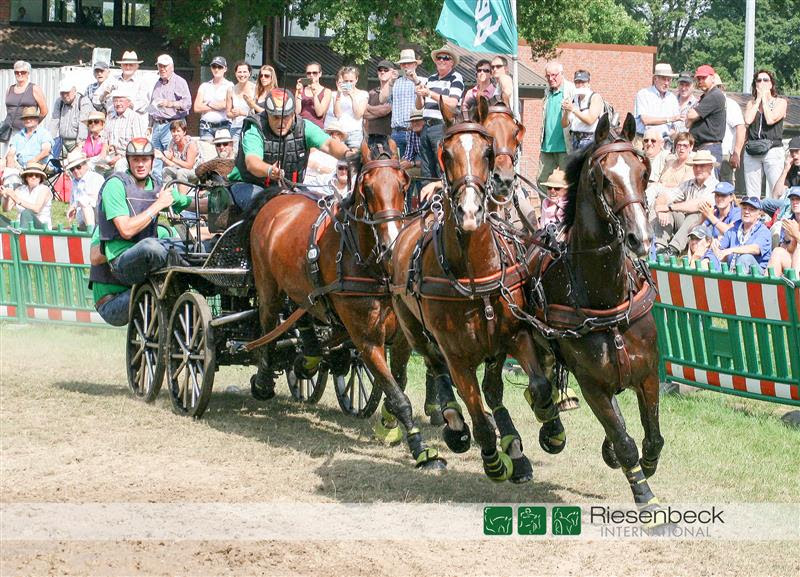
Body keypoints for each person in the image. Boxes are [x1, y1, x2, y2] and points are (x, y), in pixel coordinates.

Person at [227, 89, 350, 210]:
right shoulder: (254, 130)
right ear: (267, 114)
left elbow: (329, 144)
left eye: (286, 116)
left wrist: (349, 154)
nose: (281, 122)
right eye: (275, 117)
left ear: (293, 114)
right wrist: (269, 170)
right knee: (269, 209)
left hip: (290, 187)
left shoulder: (304, 127)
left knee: (320, 207)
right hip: (248, 184)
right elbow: (252, 162)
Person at [95, 138, 193, 286]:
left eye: (145, 159)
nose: (140, 164)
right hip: (121, 259)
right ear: (129, 161)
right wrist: (158, 205)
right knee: (151, 246)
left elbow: (188, 202)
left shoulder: (157, 185)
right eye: (136, 160)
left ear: (152, 161)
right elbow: (126, 230)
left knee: (194, 247)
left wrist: (217, 201)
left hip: (150, 251)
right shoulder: (115, 185)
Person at [654, 149, 719, 256]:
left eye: (702, 166)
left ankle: (673, 249)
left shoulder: (715, 185)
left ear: (710, 167)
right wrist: (661, 209)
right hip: (687, 226)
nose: (698, 169)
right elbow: (665, 195)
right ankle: (659, 247)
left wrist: (668, 207)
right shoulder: (688, 183)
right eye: (695, 166)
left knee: (694, 215)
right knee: (669, 214)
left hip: (706, 227)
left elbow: (698, 205)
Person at [416, 46, 464, 179]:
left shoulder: (456, 78)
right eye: (439, 58)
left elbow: (452, 103)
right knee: (426, 169)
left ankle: (442, 198)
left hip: (442, 127)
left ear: (452, 62)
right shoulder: (430, 79)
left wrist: (430, 93)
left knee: (440, 166)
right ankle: (428, 199)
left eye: (446, 58)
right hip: (426, 126)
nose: (442, 60)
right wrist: (419, 94)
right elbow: (420, 106)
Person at [743, 69, 788, 198]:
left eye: (765, 80)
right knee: (752, 193)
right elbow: (747, 120)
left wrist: (765, 99)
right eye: (759, 80)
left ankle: (774, 217)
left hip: (772, 150)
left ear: (771, 84)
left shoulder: (781, 102)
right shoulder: (751, 103)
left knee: (775, 191)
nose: (762, 83)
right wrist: (758, 101)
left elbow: (770, 119)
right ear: (755, 84)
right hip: (753, 150)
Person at [149, 54, 192, 163]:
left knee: (170, 159)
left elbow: (187, 104)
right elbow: (152, 106)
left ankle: (169, 180)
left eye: (165, 66)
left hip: (172, 125)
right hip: (156, 126)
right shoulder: (157, 83)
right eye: (160, 66)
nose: (162, 69)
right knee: (155, 160)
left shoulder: (180, 82)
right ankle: (156, 180)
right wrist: (149, 126)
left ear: (172, 67)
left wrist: (170, 103)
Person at [538, 60, 573, 187]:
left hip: (565, 147)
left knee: (566, 184)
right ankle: (546, 207)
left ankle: (564, 207)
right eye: (548, 76)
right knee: (541, 182)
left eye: (554, 75)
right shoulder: (547, 92)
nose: (551, 78)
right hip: (547, 148)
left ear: (561, 74)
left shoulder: (571, 90)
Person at [714, 196, 771, 273]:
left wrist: (731, 250)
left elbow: (755, 249)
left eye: (751, 209)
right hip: (731, 271)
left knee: (745, 258)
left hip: (756, 277)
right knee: (712, 256)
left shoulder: (764, 231)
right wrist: (714, 245)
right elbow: (721, 248)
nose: (747, 212)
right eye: (744, 208)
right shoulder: (733, 229)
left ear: (759, 214)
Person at [381, 49, 422, 158]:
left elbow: (425, 100)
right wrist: (389, 82)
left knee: (420, 167)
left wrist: (415, 80)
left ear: (415, 65)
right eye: (403, 64)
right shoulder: (396, 82)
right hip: (397, 132)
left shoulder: (422, 81)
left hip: (415, 131)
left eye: (409, 63)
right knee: (397, 168)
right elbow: (384, 99)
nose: (406, 66)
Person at [2, 61, 48, 155]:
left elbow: (44, 111)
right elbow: (9, 110)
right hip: (10, 132)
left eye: (23, 72)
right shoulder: (9, 89)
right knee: (6, 159)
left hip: (26, 133)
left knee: (23, 159)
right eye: (16, 72)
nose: (19, 74)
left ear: (28, 73)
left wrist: (32, 124)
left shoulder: (34, 88)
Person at [686, 64, 726, 168]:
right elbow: (687, 122)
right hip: (700, 147)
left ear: (713, 78)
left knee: (710, 181)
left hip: (709, 147)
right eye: (699, 78)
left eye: (704, 78)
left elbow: (691, 115)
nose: (700, 81)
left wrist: (692, 117)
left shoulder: (715, 95)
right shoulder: (705, 96)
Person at [92, 51, 150, 120]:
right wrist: (103, 96)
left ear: (137, 67)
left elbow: (145, 105)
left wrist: (127, 104)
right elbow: (95, 99)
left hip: (133, 121)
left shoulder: (142, 83)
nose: (128, 67)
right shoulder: (112, 80)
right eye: (125, 64)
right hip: (112, 120)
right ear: (121, 66)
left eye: (131, 65)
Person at [634, 63, 680, 145]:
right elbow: (645, 120)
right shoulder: (643, 94)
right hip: (644, 141)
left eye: (669, 79)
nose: (666, 83)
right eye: (663, 79)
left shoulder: (672, 98)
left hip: (665, 142)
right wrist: (669, 119)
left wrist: (672, 132)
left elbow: (676, 124)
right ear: (655, 79)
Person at [104, 87, 148, 172]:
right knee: (92, 165)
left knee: (119, 166)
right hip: (111, 155)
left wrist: (119, 157)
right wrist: (103, 156)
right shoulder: (110, 117)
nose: (118, 104)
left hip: (129, 157)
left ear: (128, 103)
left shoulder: (134, 118)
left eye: (121, 101)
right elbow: (104, 140)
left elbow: (138, 145)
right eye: (115, 101)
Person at [49, 78, 94, 160]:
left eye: (67, 92)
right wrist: (48, 141)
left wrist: (80, 145)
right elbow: (54, 121)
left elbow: (83, 125)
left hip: (77, 142)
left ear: (74, 90)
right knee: (53, 161)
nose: (65, 95)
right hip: (62, 141)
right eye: (62, 93)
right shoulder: (59, 102)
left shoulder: (83, 102)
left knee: (74, 162)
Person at [0, 162, 51, 229]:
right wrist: (7, 197)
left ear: (40, 178)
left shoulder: (44, 189)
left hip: (40, 227)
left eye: (37, 175)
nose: (34, 177)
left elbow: (37, 209)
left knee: (26, 213)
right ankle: (16, 233)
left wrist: (16, 199)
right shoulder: (19, 190)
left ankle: (19, 235)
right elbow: (6, 209)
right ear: (26, 177)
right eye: (30, 175)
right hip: (20, 226)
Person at [562, 70, 604, 151]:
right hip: (574, 140)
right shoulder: (573, 99)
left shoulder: (595, 97)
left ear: (588, 83)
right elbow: (564, 124)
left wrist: (573, 109)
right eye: (577, 82)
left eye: (583, 82)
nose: (580, 85)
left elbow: (590, 120)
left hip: (590, 140)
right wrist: (567, 112)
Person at [327, 66, 368, 149]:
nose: (348, 84)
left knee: (354, 159)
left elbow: (358, 115)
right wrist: (339, 94)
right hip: (339, 132)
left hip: (355, 133)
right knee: (339, 159)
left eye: (351, 81)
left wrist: (352, 95)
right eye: (346, 81)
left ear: (356, 80)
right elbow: (337, 114)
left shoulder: (363, 94)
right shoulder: (336, 95)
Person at [195, 56, 234, 139]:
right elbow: (197, 108)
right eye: (214, 66)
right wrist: (217, 106)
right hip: (206, 127)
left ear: (225, 69)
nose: (216, 69)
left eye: (220, 67)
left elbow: (226, 105)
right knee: (207, 151)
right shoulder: (204, 86)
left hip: (224, 126)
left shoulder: (230, 85)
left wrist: (207, 103)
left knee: (223, 151)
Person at [716, 76, 746, 186]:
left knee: (725, 188)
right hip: (708, 153)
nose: (715, 89)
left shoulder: (730, 104)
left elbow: (741, 128)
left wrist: (736, 153)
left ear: (722, 87)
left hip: (725, 154)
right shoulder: (705, 102)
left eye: (717, 87)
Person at [64, 149, 104, 229]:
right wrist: (73, 209)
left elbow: (94, 199)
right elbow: (73, 203)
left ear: (86, 165)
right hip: (82, 222)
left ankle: (91, 234)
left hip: (99, 221)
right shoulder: (74, 182)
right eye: (72, 169)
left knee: (84, 202)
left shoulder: (96, 178)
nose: (75, 171)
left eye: (78, 167)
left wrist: (75, 205)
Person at [767, 187, 800, 276]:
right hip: (792, 261)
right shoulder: (788, 222)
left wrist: (796, 235)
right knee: (777, 251)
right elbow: (787, 249)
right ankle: (768, 286)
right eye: (792, 199)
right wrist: (788, 240)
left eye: (798, 199)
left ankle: (796, 285)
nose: (795, 202)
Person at [157, 119, 199, 184]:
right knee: (166, 170)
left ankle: (182, 194)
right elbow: (172, 164)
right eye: (173, 131)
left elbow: (189, 166)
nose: (175, 134)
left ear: (184, 132)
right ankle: (168, 192)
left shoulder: (191, 144)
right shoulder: (172, 143)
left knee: (181, 172)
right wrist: (163, 157)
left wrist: (172, 158)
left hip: (195, 172)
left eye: (178, 131)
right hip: (180, 169)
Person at [364, 60, 394, 147]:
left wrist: (368, 107)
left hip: (388, 137)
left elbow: (386, 110)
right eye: (380, 70)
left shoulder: (394, 90)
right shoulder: (371, 92)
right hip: (371, 137)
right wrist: (380, 111)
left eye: (386, 70)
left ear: (392, 72)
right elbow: (364, 114)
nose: (382, 72)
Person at [294, 61, 331, 129]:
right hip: (301, 127)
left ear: (320, 74)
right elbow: (297, 112)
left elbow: (319, 113)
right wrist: (299, 93)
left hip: (317, 128)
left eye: (315, 73)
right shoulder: (300, 89)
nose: (311, 75)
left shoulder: (326, 91)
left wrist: (315, 95)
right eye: (309, 73)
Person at [226, 61, 256, 143]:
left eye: (245, 72)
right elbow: (228, 113)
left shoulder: (255, 89)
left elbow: (258, 112)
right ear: (235, 74)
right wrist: (234, 113)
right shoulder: (230, 90)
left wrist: (242, 113)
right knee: (235, 153)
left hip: (251, 127)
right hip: (235, 128)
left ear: (249, 73)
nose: (242, 75)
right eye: (239, 72)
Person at [400, 109, 424, 208]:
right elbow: (408, 153)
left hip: (430, 166)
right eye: (413, 121)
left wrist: (412, 164)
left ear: (424, 121)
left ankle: (423, 207)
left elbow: (431, 160)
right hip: (419, 163)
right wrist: (401, 163)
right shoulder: (411, 133)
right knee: (401, 174)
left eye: (417, 120)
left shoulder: (429, 133)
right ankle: (406, 208)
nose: (414, 123)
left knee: (408, 174)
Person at [672, 71, 697, 136]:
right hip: (668, 143)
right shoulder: (670, 101)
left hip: (685, 144)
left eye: (687, 85)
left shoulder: (697, 105)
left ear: (693, 86)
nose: (683, 88)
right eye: (681, 84)